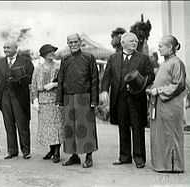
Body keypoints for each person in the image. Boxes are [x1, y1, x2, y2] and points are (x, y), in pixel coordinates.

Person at [100, 32, 155, 169]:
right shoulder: (113, 58)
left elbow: (151, 75)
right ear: (122, 43)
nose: (135, 43)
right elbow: (107, 76)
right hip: (119, 98)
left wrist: (141, 82)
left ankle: (139, 158)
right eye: (131, 41)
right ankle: (124, 157)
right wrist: (104, 90)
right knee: (123, 127)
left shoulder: (143, 58)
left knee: (137, 127)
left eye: (136, 41)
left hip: (136, 98)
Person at [56, 33, 99, 168]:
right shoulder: (65, 59)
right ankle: (74, 156)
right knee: (70, 128)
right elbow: (61, 79)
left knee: (86, 127)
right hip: (68, 97)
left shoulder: (89, 57)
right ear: (67, 44)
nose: (73, 45)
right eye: (70, 43)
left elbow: (94, 79)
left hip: (84, 97)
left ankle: (88, 156)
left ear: (80, 42)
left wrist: (94, 99)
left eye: (75, 42)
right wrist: (59, 99)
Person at [146, 35, 186, 173]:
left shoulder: (177, 63)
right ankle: (162, 165)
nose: (159, 48)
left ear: (170, 47)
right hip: (161, 105)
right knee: (161, 136)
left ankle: (173, 166)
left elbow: (179, 85)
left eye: (161, 46)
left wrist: (159, 90)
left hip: (171, 107)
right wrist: (152, 89)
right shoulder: (165, 64)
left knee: (171, 136)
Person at [0, 40, 34, 159]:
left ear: (16, 48)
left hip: (20, 97)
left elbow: (31, 78)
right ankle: (12, 151)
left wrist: (19, 79)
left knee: (22, 124)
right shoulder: (0, 63)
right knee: (9, 124)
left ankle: (26, 151)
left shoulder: (26, 61)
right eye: (4, 48)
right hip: (5, 97)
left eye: (8, 48)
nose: (6, 50)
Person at [31, 44, 63, 163]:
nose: (52, 54)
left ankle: (57, 152)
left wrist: (54, 84)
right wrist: (35, 100)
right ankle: (51, 150)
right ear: (43, 55)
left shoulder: (59, 66)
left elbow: (64, 81)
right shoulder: (38, 68)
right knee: (47, 128)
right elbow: (33, 85)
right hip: (43, 100)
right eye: (49, 52)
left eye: (53, 51)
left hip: (56, 99)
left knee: (57, 127)